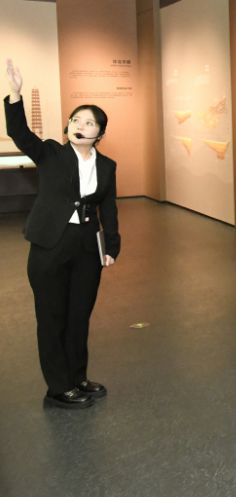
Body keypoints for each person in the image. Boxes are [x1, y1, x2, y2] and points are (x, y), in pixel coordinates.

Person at [4, 59, 120, 410]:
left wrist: (111, 246)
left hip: (87, 247)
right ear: (67, 126)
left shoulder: (107, 165)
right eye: (76, 120)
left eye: (89, 122)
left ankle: (77, 377)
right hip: (49, 245)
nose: (80, 126)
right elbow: (20, 133)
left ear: (99, 133)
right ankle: (58, 388)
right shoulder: (51, 152)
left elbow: (108, 208)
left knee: (79, 316)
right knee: (52, 318)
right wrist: (15, 94)